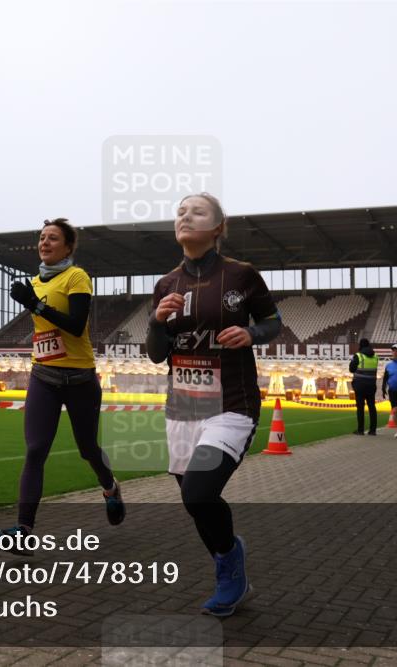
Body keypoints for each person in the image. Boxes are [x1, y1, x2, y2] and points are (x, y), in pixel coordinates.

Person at [148, 193, 280, 617]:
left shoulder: (241, 275)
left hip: (232, 405)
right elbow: (156, 354)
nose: (185, 216)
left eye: (197, 212)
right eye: (180, 212)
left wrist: (251, 334)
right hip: (183, 407)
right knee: (193, 501)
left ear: (219, 227)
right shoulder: (166, 285)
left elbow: (273, 322)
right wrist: (156, 322)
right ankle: (228, 558)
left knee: (199, 491)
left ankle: (229, 566)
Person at [0, 218, 125, 554]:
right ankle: (24, 530)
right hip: (44, 377)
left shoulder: (76, 276)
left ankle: (110, 487)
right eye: (42, 237)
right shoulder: (34, 282)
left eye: (53, 238)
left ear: (68, 247)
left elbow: (76, 324)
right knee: (36, 449)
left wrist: (35, 304)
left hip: (80, 379)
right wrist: (33, 300)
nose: (45, 242)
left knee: (87, 448)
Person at [349, 338, 379, 435]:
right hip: (371, 385)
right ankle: (373, 430)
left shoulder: (358, 356)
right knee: (372, 407)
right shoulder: (375, 357)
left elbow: (351, 369)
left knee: (360, 408)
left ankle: (360, 430)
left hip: (360, 385)